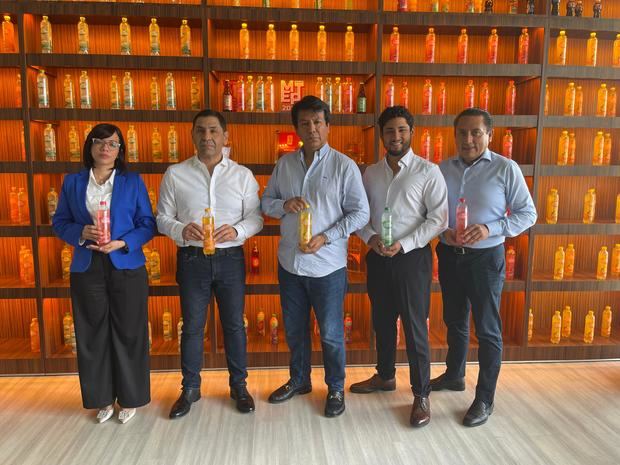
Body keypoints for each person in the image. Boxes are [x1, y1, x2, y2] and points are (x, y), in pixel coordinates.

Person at [261, 95, 369, 418]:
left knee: (332, 334)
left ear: (328, 126)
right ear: (296, 128)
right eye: (305, 123)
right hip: (290, 265)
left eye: (318, 122)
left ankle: (335, 387)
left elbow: (360, 212)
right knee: (295, 330)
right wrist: (283, 205)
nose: (312, 129)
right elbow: (265, 202)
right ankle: (300, 380)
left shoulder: (344, 166)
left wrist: (327, 237)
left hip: (328, 267)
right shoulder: (284, 164)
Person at [431, 108, 537, 427]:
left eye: (476, 132)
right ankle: (454, 374)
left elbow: (527, 214)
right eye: (462, 132)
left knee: (487, 329)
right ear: (454, 135)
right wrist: (443, 232)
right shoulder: (442, 169)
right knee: (454, 320)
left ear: (490, 135)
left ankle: (485, 398)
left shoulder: (506, 168)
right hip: (450, 254)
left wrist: (491, 228)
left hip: (486, 259)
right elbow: (433, 213)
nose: (468, 139)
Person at [157, 109, 263, 419]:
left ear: (225, 136)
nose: (207, 137)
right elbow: (161, 218)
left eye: (214, 130)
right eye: (201, 130)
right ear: (192, 135)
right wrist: (180, 229)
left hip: (230, 259)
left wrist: (237, 231)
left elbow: (256, 218)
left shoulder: (242, 175)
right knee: (191, 327)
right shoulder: (175, 173)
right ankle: (190, 388)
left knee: (234, 325)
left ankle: (239, 386)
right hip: (192, 259)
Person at [350, 106, 448, 427]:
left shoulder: (428, 171)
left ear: (412, 132)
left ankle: (421, 394)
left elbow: (438, 219)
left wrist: (404, 243)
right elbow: (360, 215)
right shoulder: (370, 173)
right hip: (378, 256)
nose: (396, 136)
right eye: (390, 130)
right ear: (382, 135)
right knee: (382, 321)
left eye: (402, 130)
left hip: (411, 259)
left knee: (414, 327)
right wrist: (370, 237)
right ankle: (385, 376)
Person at [52, 123, 155, 424]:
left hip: (126, 263)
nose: (106, 148)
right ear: (90, 146)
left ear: (120, 150)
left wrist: (123, 242)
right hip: (87, 266)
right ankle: (102, 399)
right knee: (91, 334)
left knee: (130, 332)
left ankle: (130, 399)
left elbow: (148, 223)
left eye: (112, 143)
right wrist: (80, 233)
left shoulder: (132, 181)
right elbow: (60, 222)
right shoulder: (73, 182)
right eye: (99, 142)